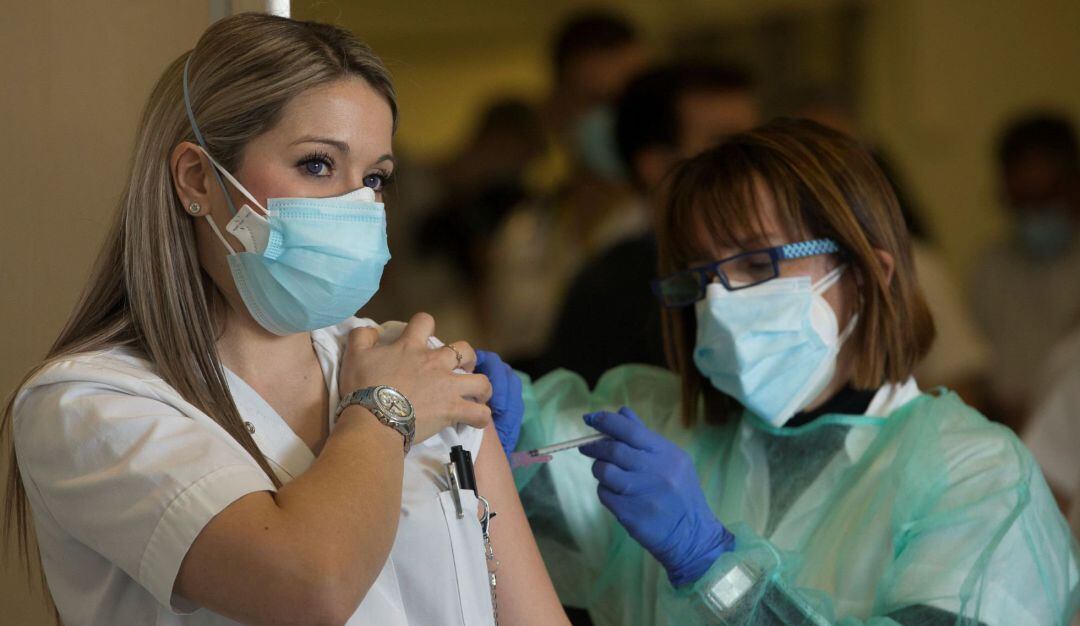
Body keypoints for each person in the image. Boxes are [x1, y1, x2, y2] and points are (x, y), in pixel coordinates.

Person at [1, 14, 566, 626]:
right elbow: (310, 587)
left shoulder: (411, 358)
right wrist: (385, 410)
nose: (359, 205)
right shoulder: (89, 406)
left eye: (374, 177)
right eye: (319, 165)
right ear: (198, 180)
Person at [507, 119, 1079, 624]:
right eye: (700, 278)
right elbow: (525, 469)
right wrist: (490, 417)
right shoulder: (663, 425)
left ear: (865, 273)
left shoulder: (975, 477)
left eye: (759, 263)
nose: (722, 305)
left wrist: (714, 568)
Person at [529, 62, 759, 385]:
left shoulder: (794, 264)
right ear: (656, 166)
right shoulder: (612, 291)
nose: (756, 164)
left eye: (757, 144)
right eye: (727, 146)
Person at [483, 10, 648, 361]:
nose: (612, 118)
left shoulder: (667, 230)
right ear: (554, 109)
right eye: (593, 101)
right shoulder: (524, 232)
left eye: (625, 101)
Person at [970, 113, 1080, 429]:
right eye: (1023, 201)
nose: (1035, 214)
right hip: (1009, 431)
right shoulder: (989, 269)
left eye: (1046, 198)